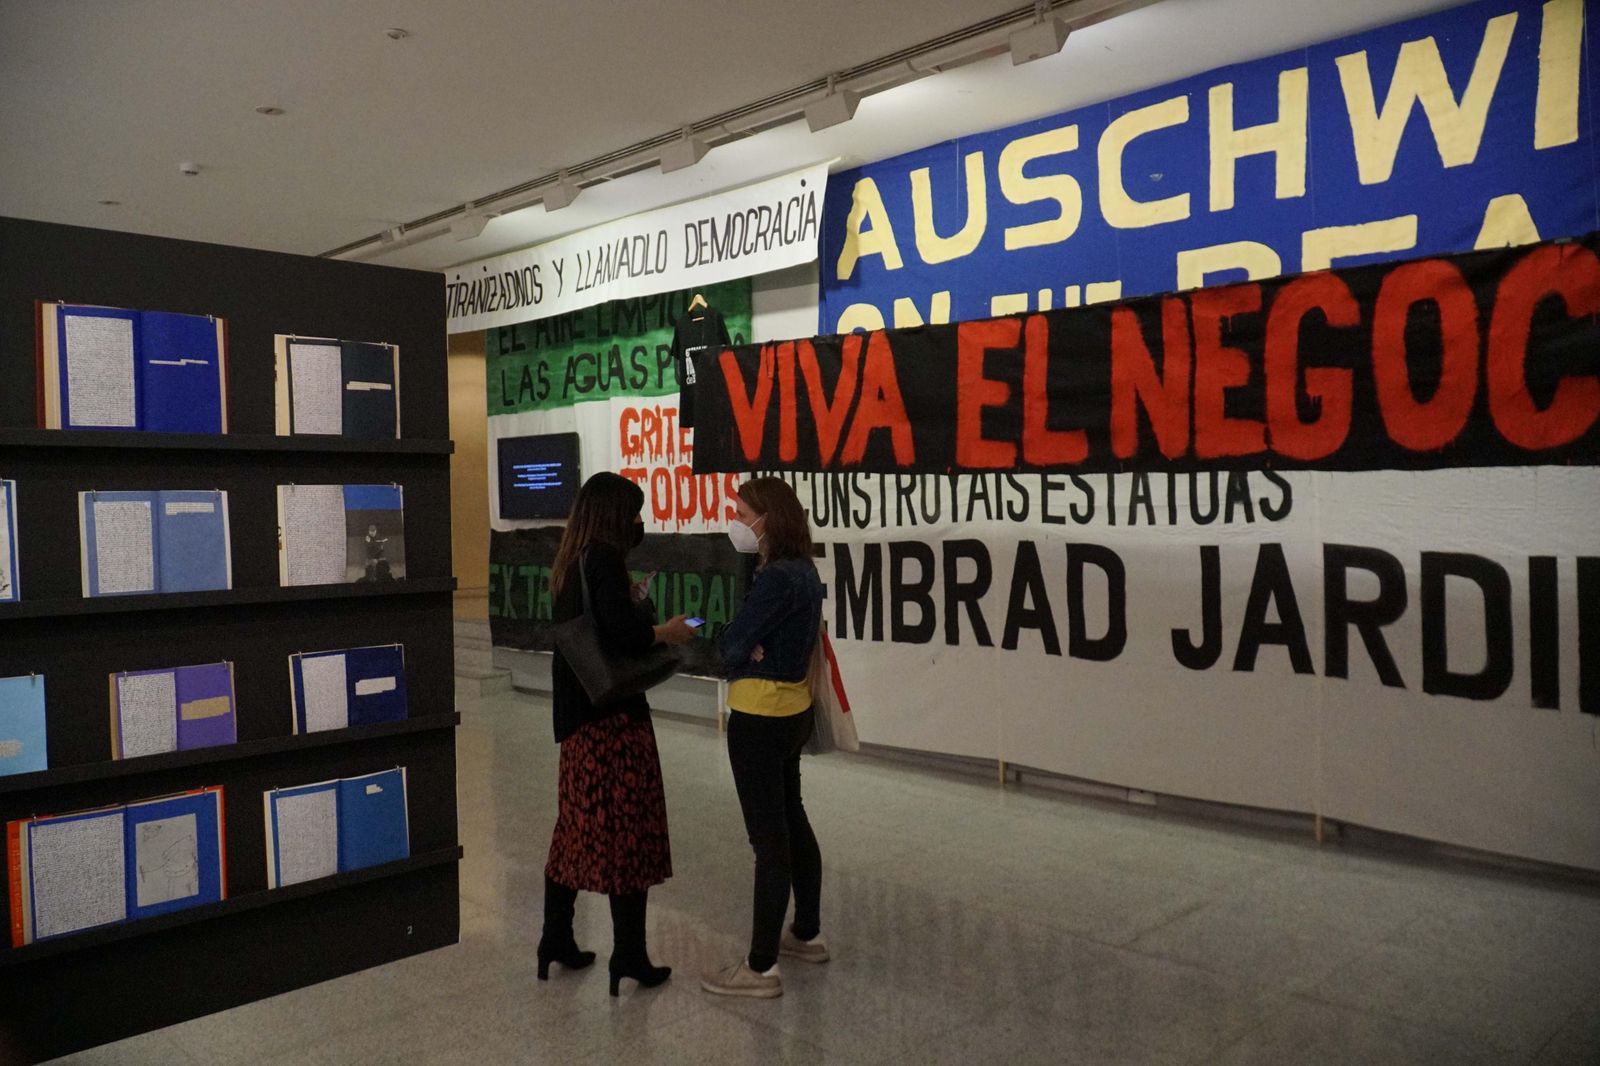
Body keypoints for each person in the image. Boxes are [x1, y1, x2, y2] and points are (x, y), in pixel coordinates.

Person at [539, 472, 697, 996]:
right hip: (613, 723)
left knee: (575, 831)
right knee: (629, 835)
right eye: (632, 512)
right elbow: (624, 636)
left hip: (579, 723)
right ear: (613, 515)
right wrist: (665, 631)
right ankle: (628, 953)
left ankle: (555, 938)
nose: (637, 522)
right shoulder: (602, 559)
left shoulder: (569, 561)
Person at [701, 477, 828, 999]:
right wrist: (746, 644)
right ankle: (807, 933)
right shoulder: (804, 571)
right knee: (791, 818)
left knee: (768, 839)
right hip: (792, 710)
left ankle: (760, 967)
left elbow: (731, 644)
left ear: (767, 520)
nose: (736, 520)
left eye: (742, 511)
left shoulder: (777, 579)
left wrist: (739, 645)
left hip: (758, 717)